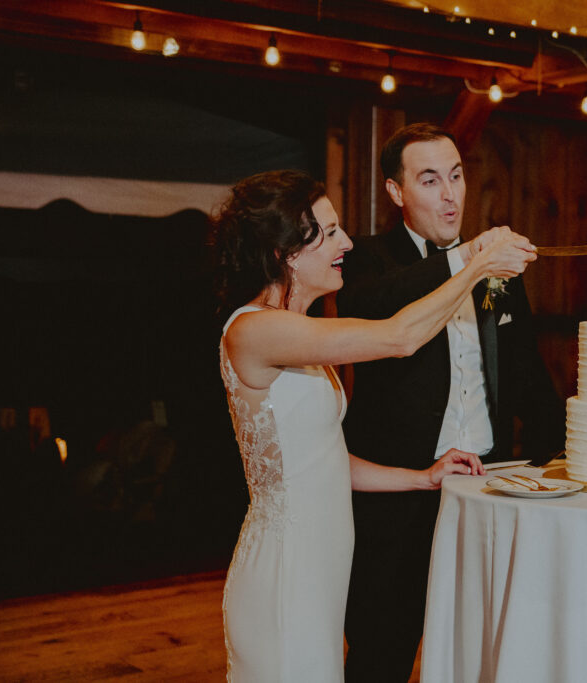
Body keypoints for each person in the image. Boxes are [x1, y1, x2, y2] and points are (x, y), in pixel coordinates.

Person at [212, 169, 537, 681]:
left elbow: (322, 459)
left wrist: (422, 477)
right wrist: (475, 268)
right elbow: (399, 337)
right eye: (330, 231)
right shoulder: (255, 330)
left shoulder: (303, 336)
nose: (345, 242)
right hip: (285, 571)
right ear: (285, 252)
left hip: (323, 565)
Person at [337, 123, 566, 682]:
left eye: (458, 176)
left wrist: (562, 459)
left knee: (485, 650)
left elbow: (527, 376)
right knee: (381, 652)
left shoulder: (498, 271)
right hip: (400, 495)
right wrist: (466, 259)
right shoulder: (370, 260)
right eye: (430, 179)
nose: (450, 195)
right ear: (396, 193)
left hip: (489, 487)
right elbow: (376, 305)